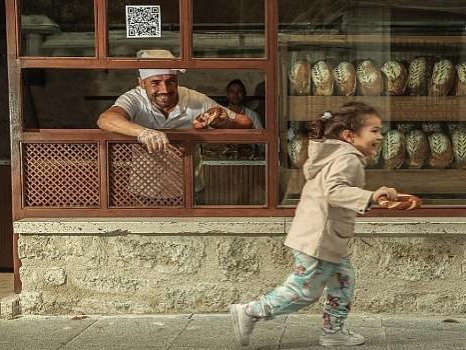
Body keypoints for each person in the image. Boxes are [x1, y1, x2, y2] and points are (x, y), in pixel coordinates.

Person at [229, 102, 399, 347]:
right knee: (305, 290)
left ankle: (333, 332)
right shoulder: (348, 159)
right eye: (374, 130)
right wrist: (371, 196)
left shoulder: (338, 154)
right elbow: (334, 191)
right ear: (349, 135)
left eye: (379, 130)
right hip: (320, 237)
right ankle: (251, 311)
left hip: (326, 235)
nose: (380, 136)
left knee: (343, 280)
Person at [97, 49, 255, 204]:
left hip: (191, 190)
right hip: (145, 192)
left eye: (170, 82)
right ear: (142, 83)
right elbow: (106, 119)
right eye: (156, 83)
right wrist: (144, 132)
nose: (165, 90)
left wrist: (228, 122)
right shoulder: (135, 99)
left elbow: (246, 123)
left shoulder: (194, 99)